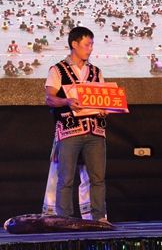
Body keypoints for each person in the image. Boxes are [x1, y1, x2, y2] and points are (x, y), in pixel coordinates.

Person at [44, 26, 108, 221]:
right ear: (74, 44)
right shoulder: (57, 70)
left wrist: (105, 108)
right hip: (70, 131)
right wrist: (67, 101)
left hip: (95, 131)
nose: (90, 49)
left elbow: (103, 98)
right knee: (66, 178)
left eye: (92, 45)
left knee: (98, 178)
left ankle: (99, 218)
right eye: (87, 45)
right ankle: (65, 219)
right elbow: (49, 98)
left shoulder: (96, 71)